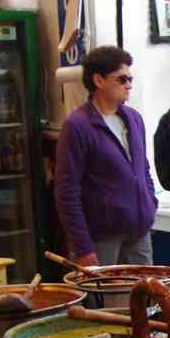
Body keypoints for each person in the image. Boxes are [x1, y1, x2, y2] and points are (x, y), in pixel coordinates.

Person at [55, 46, 158, 266]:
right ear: (99, 81)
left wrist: (150, 204)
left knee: (145, 296)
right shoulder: (77, 126)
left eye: (130, 79)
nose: (129, 85)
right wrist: (82, 247)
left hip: (139, 230)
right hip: (102, 237)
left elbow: (143, 169)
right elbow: (66, 191)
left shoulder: (133, 119)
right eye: (121, 79)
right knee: (108, 299)